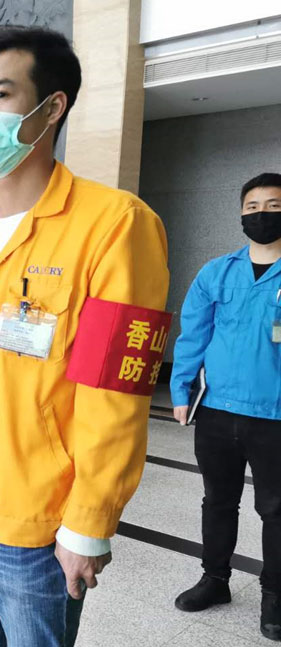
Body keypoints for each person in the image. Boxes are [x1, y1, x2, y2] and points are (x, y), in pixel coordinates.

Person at [0, 26, 171, 646]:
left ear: (52, 107)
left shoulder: (114, 225)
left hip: (38, 523)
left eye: (0, 95)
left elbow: (115, 392)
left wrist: (89, 522)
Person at [170, 172, 281, 642]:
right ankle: (214, 579)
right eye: (252, 206)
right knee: (218, 500)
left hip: (275, 415)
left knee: (276, 509)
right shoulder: (217, 272)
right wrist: (180, 391)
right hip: (217, 411)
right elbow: (192, 335)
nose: (262, 214)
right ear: (240, 213)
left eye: (273, 205)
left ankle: (275, 595)